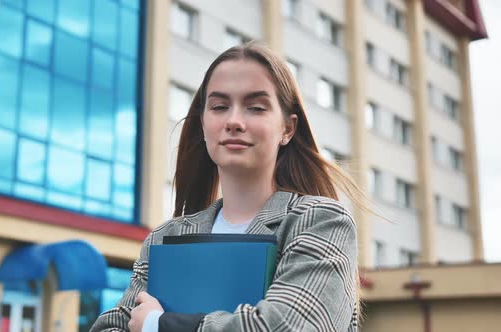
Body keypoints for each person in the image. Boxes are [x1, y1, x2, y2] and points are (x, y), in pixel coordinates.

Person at [91, 42, 362, 332]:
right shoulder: (165, 237)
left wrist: (159, 324)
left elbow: (289, 326)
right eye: (219, 107)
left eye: (255, 108)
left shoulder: (321, 222)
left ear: (287, 128)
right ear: (203, 123)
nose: (233, 121)